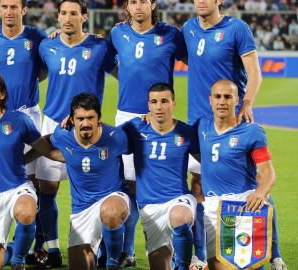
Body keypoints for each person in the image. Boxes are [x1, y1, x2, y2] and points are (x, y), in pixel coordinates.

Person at [183, 1, 286, 268]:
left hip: (232, 118)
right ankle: (200, 252)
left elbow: (254, 73)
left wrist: (247, 103)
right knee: (198, 184)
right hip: (199, 123)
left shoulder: (237, 28)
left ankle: (273, 254)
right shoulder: (188, 28)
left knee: (252, 183)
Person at [36, 0, 117, 266]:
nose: (68, 18)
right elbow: (38, 75)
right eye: (63, 13)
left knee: (95, 190)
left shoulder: (100, 47)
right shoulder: (47, 45)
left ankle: (105, 249)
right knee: (47, 188)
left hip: (88, 128)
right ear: (57, 17)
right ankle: (52, 249)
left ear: (84, 17)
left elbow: (122, 73)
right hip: (53, 124)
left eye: (74, 13)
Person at [109, 0, 187, 265]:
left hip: (159, 118)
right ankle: (127, 251)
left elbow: (194, 62)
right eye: (133, 1)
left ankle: (176, 247)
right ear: (127, 7)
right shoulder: (117, 33)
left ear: (153, 4)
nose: (138, 6)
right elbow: (108, 61)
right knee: (128, 185)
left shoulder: (171, 35)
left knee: (159, 186)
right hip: (127, 116)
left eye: (144, 1)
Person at [0, 71, 62, 270]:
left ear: (2, 95)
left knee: (26, 213)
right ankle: (14, 247)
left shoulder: (19, 120)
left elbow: (45, 150)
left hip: (17, 188)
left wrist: (77, 155)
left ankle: (18, 262)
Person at [0, 1, 49, 262]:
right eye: (4, 6)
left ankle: (34, 244)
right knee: (2, 174)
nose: (9, 11)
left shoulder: (36, 37)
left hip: (27, 114)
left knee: (32, 179)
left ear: (23, 10)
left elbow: (43, 69)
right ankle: (4, 239)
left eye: (14, 6)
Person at [196, 80, 277, 270]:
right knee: (216, 265)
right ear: (210, 100)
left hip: (242, 205)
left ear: (237, 100)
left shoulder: (251, 132)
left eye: (227, 97)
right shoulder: (202, 126)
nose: (222, 101)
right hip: (212, 207)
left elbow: (267, 172)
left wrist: (260, 192)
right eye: (217, 97)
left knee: (245, 264)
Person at [121, 83, 199, 269]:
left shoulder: (186, 132)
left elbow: (207, 162)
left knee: (179, 217)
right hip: (149, 207)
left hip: (178, 199)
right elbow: (104, 137)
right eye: (154, 102)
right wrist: (73, 122)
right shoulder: (135, 127)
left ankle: (183, 266)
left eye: (164, 101)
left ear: (173, 104)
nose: (159, 106)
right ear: (148, 105)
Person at [49, 93, 130, 269]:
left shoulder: (116, 137)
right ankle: (100, 250)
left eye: (90, 118)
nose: (85, 123)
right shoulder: (62, 135)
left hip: (113, 197)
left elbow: (141, 143)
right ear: (72, 120)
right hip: (82, 208)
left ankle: (113, 261)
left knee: (110, 212)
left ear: (98, 118)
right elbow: (47, 142)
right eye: (80, 118)